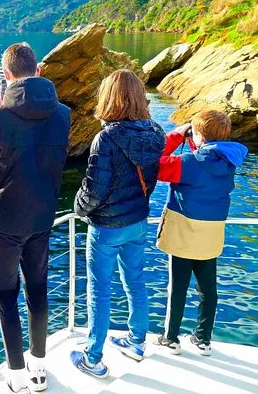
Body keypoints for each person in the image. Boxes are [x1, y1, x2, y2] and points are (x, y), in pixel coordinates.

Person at [0, 43, 71, 393]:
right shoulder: (63, 115)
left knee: (5, 295)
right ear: (38, 71)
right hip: (42, 218)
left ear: (6, 75)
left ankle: (15, 376)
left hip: (4, 222)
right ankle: (38, 370)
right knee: (38, 291)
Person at [70, 70, 165, 378]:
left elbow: (94, 189)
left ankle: (93, 357)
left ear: (109, 97)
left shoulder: (107, 138)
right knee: (135, 281)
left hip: (107, 227)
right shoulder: (156, 132)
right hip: (138, 220)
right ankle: (136, 341)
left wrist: (79, 207)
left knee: (99, 290)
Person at [153, 110, 247, 356]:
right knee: (208, 290)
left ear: (198, 135)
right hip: (211, 235)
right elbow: (207, 161)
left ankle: (170, 338)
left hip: (184, 233)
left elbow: (155, 165)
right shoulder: (229, 162)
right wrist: (196, 140)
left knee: (178, 288)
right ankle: (203, 340)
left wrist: (176, 136)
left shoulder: (186, 163)